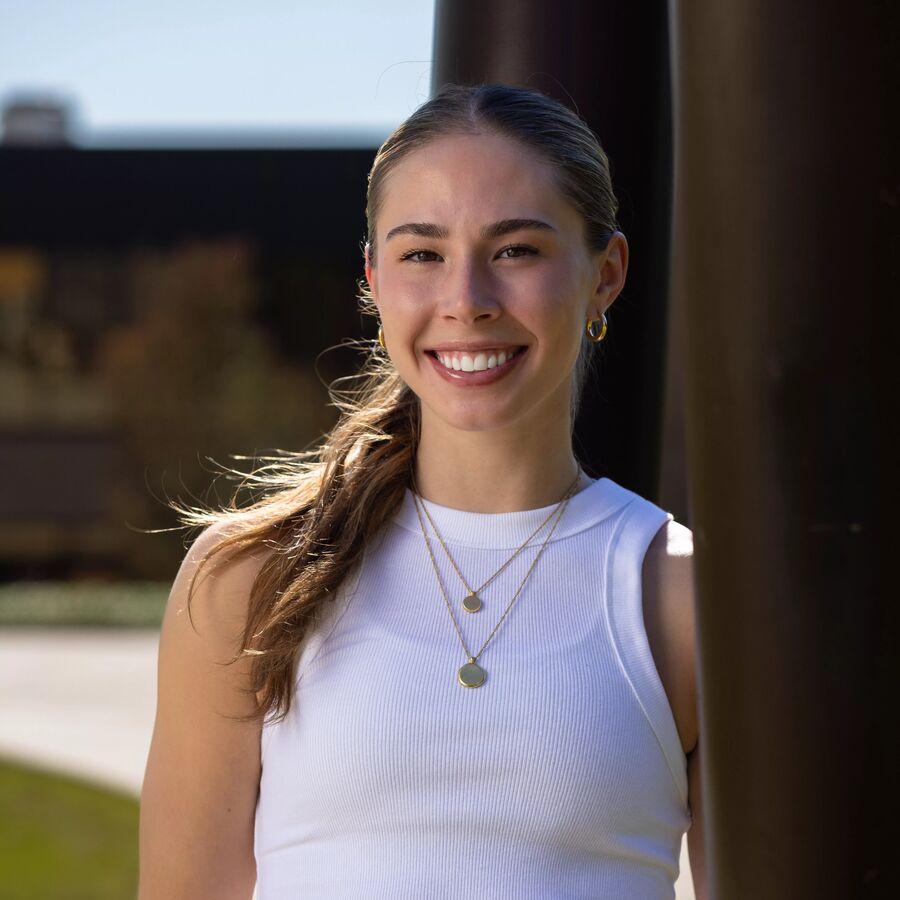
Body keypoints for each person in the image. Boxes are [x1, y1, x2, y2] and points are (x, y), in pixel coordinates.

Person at [138, 82, 706, 900]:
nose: (466, 301)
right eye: (422, 253)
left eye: (516, 250)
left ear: (605, 275)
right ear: (374, 279)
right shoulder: (249, 580)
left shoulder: (684, 596)